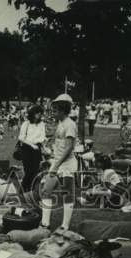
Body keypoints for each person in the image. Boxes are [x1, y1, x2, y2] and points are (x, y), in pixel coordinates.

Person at [45, 94, 79, 230]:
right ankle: (45, 223)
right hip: (58, 162)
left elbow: (69, 147)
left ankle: (65, 225)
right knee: (46, 190)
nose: (53, 113)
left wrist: (57, 165)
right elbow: (60, 143)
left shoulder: (70, 124)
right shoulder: (61, 123)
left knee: (67, 194)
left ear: (62, 111)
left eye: (55, 111)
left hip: (67, 164)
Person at [16, 104, 46, 195]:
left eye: (41, 113)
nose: (39, 115)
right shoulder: (26, 124)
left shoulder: (41, 124)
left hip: (37, 148)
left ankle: (30, 191)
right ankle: (22, 191)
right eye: (37, 113)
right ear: (32, 113)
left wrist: (39, 143)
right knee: (28, 171)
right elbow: (21, 137)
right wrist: (32, 144)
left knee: (35, 171)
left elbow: (42, 136)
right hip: (27, 149)